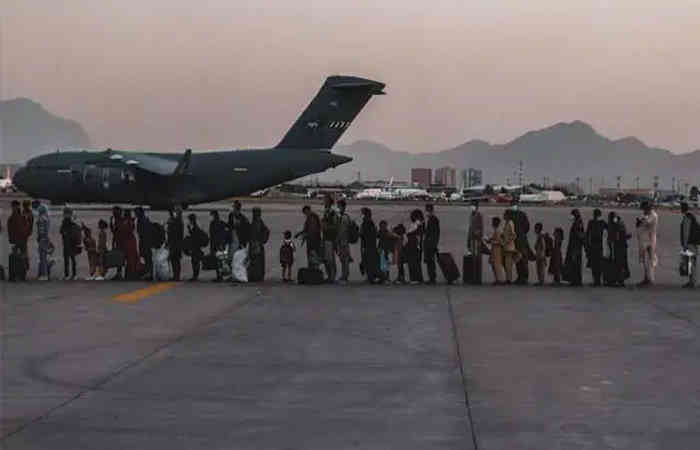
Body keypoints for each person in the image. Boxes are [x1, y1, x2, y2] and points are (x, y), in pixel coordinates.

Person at [637, 201, 658, 286]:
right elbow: (639, 224)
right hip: (644, 239)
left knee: (651, 259)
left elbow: (647, 222)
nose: (643, 211)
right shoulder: (645, 215)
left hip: (650, 239)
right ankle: (646, 278)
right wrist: (641, 220)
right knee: (644, 260)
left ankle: (650, 278)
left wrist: (643, 218)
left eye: (644, 209)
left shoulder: (653, 215)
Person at [511, 201, 532, 285]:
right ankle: (520, 276)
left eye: (514, 204)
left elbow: (527, 227)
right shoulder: (513, 215)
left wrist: (521, 233)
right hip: (517, 239)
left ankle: (524, 277)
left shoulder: (521, 215)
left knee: (523, 259)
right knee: (518, 259)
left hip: (520, 240)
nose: (513, 206)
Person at [606, 212, 630, 287]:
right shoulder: (615, 224)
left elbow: (618, 235)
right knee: (619, 263)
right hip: (618, 246)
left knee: (619, 263)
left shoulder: (617, 224)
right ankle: (618, 280)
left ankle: (619, 280)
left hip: (619, 246)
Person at [585, 208, 607, 286]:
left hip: (595, 245)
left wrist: (587, 245)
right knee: (596, 264)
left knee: (595, 264)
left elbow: (587, 234)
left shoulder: (592, 222)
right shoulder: (601, 222)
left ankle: (596, 281)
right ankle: (597, 281)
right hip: (597, 245)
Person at [564, 209, 585, 287]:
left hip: (575, 246)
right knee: (575, 263)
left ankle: (576, 280)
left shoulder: (578, 223)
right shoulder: (578, 222)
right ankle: (575, 280)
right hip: (575, 246)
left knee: (575, 263)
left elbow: (579, 234)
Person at [247, 207, 269, 282]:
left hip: (256, 244)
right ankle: (256, 276)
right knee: (256, 260)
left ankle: (256, 276)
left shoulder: (258, 222)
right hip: (256, 244)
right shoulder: (258, 222)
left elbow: (265, 231)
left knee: (256, 260)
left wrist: (260, 241)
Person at [680, 202, 698, 288]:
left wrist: (685, 245)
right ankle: (691, 281)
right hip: (693, 243)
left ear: (683, 208)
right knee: (690, 263)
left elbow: (686, 232)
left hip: (689, 244)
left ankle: (692, 282)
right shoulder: (691, 216)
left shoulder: (687, 217)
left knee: (691, 263)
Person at [321, 194, 339, 283]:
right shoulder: (326, 211)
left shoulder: (332, 212)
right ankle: (329, 276)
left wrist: (326, 227)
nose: (324, 201)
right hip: (325, 237)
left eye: (325, 200)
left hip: (330, 238)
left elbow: (336, 226)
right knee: (326, 258)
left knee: (330, 258)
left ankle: (332, 276)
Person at [360, 207, 380, 283]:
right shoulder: (369, 222)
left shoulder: (367, 222)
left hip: (368, 245)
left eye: (363, 213)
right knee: (369, 260)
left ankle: (371, 277)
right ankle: (371, 276)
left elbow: (364, 234)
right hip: (369, 244)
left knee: (368, 261)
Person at [7, 201, 26, 281]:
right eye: (13, 207)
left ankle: (18, 275)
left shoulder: (18, 217)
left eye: (14, 206)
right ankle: (18, 275)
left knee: (19, 257)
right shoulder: (16, 217)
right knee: (18, 257)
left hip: (19, 239)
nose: (14, 208)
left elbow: (21, 228)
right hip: (17, 240)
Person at [336, 199, 353, 284]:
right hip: (343, 241)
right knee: (343, 259)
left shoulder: (344, 217)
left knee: (344, 259)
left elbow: (342, 231)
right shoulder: (345, 216)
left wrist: (337, 239)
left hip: (343, 241)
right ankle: (344, 275)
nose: (338, 207)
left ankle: (345, 276)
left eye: (339, 206)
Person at [467, 200, 484, 283]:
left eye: (473, 205)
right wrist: (468, 240)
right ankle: (473, 277)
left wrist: (477, 234)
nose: (471, 207)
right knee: (473, 259)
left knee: (477, 259)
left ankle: (477, 278)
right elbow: (470, 228)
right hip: (472, 239)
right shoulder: (471, 215)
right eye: (471, 205)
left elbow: (480, 228)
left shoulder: (479, 215)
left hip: (477, 240)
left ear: (477, 206)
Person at [120, 209, 140, 279]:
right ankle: (131, 273)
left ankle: (131, 273)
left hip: (128, 241)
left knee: (130, 258)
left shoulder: (126, 221)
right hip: (130, 240)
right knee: (131, 258)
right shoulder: (130, 221)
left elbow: (126, 230)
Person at [406, 209, 424, 284]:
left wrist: (409, 234)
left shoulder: (418, 224)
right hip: (415, 245)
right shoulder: (418, 223)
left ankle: (415, 278)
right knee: (416, 262)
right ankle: (418, 278)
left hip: (414, 245)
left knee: (413, 262)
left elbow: (417, 233)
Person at [186, 213, 207, 281]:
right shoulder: (196, 226)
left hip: (195, 247)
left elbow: (194, 237)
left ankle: (195, 276)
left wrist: (189, 229)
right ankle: (195, 275)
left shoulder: (195, 227)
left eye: (189, 219)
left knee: (195, 261)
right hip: (196, 247)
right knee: (195, 261)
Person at [59, 208, 79, 280]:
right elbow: (61, 231)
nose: (65, 215)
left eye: (66, 213)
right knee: (69, 259)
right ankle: (70, 274)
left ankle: (71, 274)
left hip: (70, 243)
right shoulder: (66, 222)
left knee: (70, 259)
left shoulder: (71, 222)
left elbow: (61, 231)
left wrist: (65, 233)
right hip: (68, 243)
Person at [423, 204, 440, 285]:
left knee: (430, 261)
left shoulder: (433, 219)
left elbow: (434, 233)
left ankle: (432, 278)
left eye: (427, 210)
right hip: (430, 243)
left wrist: (433, 244)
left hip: (431, 244)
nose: (426, 212)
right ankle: (431, 277)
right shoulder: (431, 219)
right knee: (429, 261)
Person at [135, 207, 153, 280]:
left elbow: (143, 232)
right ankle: (148, 272)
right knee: (146, 258)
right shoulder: (144, 219)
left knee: (147, 258)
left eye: (136, 212)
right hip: (145, 241)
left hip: (145, 241)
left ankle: (149, 273)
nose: (135, 214)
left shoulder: (142, 220)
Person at [167, 208, 184, 281]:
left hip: (175, 244)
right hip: (176, 244)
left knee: (175, 260)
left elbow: (172, 232)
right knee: (175, 260)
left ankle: (176, 276)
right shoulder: (178, 221)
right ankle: (176, 275)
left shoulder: (177, 222)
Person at [487, 217, 505, 285]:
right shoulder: (496, 230)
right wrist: (491, 240)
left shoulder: (498, 231)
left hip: (497, 250)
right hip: (494, 250)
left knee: (496, 265)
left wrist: (491, 241)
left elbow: (500, 242)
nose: (492, 223)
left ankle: (499, 280)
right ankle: (497, 279)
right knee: (494, 265)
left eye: (493, 222)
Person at [502, 210, 518, 284]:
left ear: (508, 215)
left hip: (509, 247)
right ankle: (508, 278)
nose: (503, 216)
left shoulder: (510, 223)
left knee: (508, 264)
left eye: (505, 214)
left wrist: (507, 241)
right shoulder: (507, 223)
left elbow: (514, 235)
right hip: (506, 246)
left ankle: (509, 279)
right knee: (506, 264)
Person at [36, 204, 51, 281]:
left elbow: (42, 231)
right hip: (45, 239)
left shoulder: (41, 219)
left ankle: (44, 274)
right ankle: (43, 273)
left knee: (42, 258)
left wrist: (40, 238)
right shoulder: (46, 218)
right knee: (44, 257)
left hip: (43, 239)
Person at [109, 206, 124, 280]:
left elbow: (115, 232)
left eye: (114, 212)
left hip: (121, 241)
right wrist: (111, 222)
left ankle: (120, 274)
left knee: (120, 257)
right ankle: (119, 273)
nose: (113, 213)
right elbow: (114, 231)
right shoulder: (117, 220)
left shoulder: (120, 220)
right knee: (118, 258)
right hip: (118, 241)